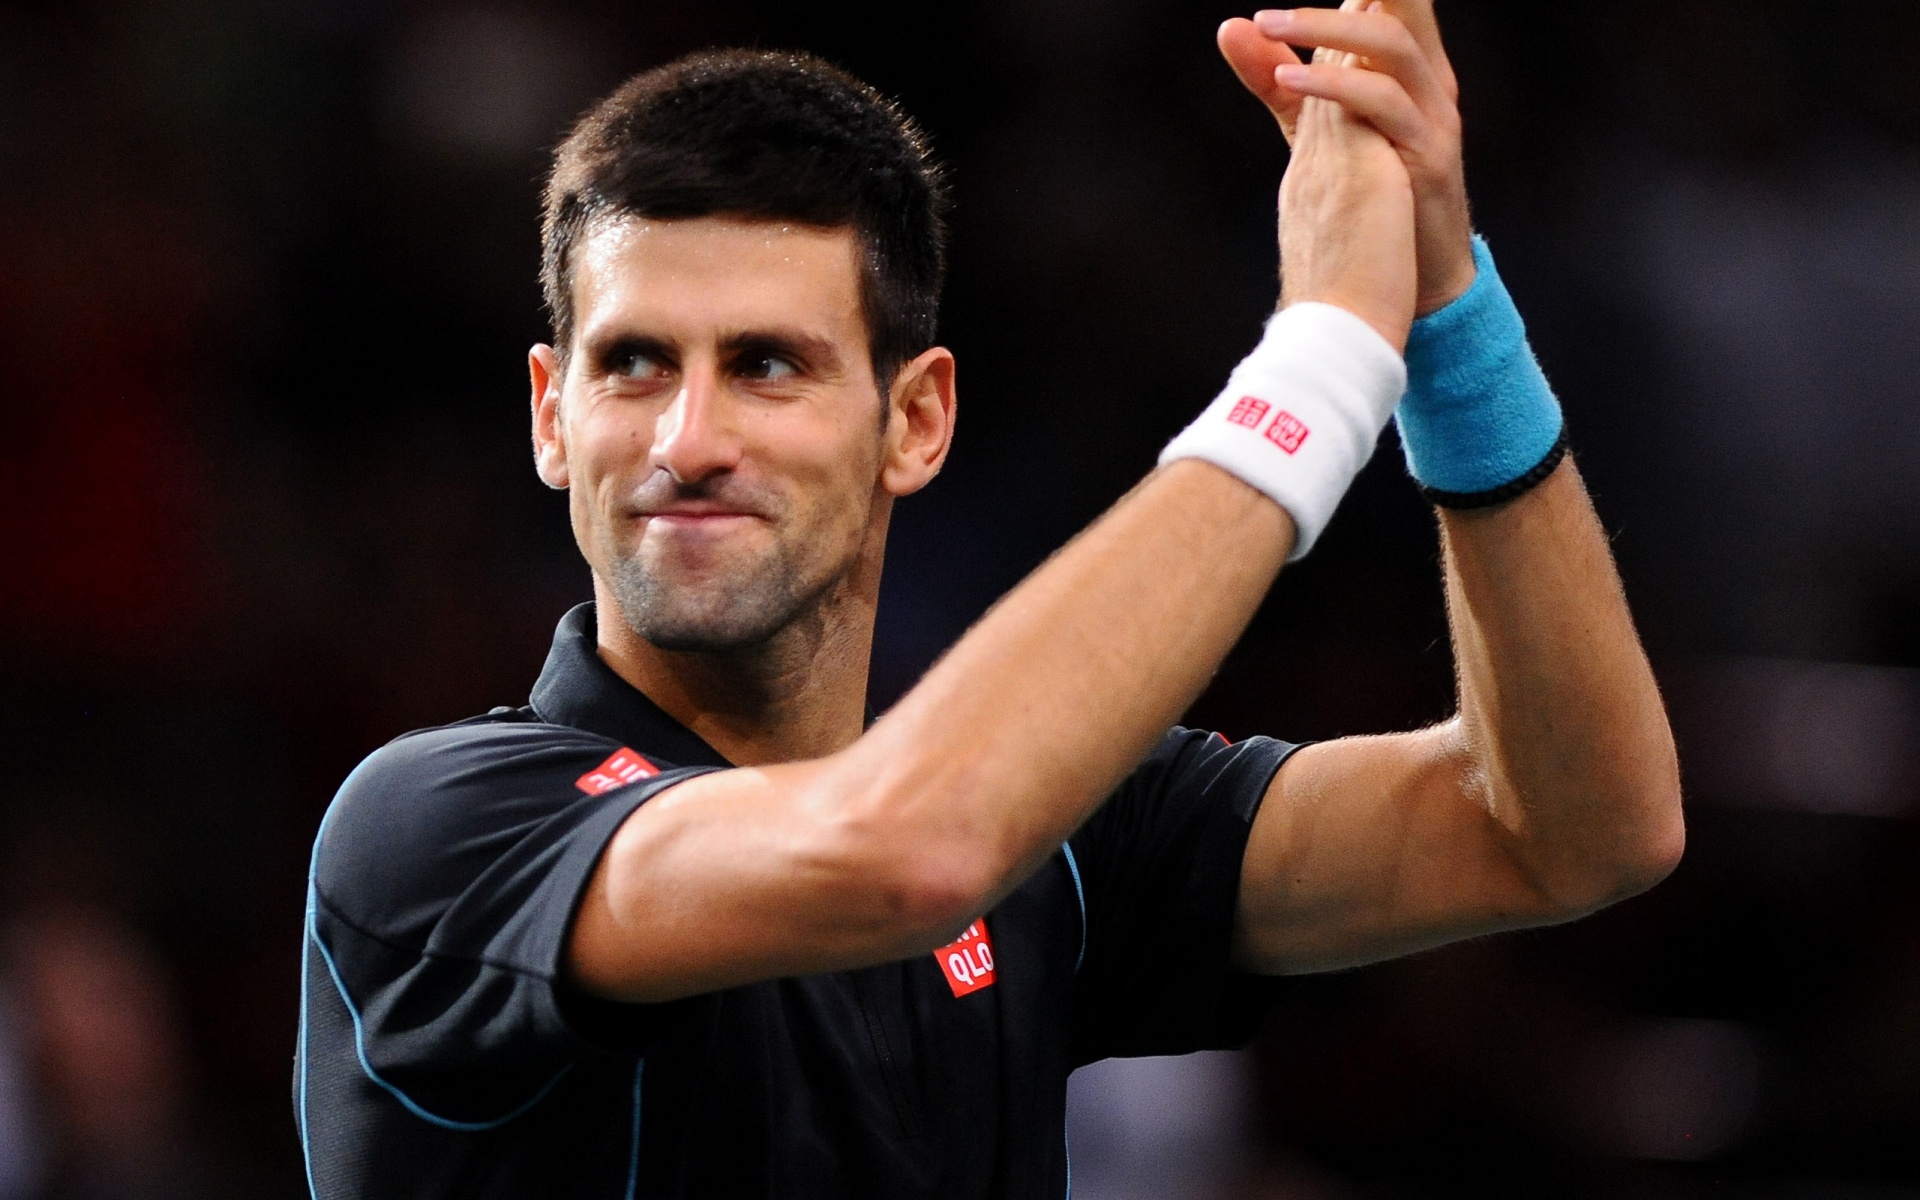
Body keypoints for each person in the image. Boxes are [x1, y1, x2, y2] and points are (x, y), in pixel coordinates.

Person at [294, 4, 1685, 1197]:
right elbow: (910, 848)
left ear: (917, 419)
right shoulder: (433, 829)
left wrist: (1444, 311)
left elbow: (1569, 827)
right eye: (635, 365)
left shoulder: (1052, 838)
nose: (686, 440)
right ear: (550, 415)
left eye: (768, 365)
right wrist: (1322, 354)